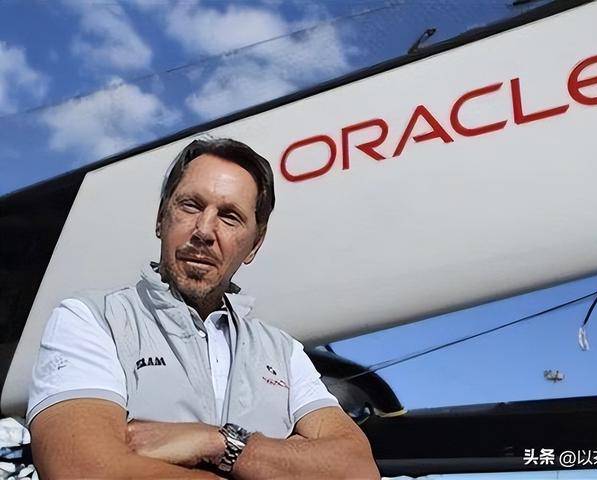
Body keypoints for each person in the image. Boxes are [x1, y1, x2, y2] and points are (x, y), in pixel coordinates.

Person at [26, 138, 379, 479]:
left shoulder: (283, 352)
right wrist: (283, 464)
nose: (205, 230)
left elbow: (357, 470)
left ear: (254, 245)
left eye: (229, 216)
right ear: (161, 219)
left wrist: (218, 443)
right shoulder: (93, 320)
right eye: (191, 206)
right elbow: (84, 471)